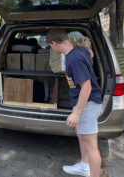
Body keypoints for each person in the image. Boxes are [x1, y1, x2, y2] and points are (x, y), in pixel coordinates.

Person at [46, 28, 102, 177]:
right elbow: (90, 55)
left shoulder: (74, 59)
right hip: (82, 103)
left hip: (88, 104)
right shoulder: (78, 50)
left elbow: (87, 87)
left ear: (54, 43)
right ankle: (84, 167)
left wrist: (77, 113)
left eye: (50, 46)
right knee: (81, 135)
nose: (51, 48)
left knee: (92, 147)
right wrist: (89, 48)